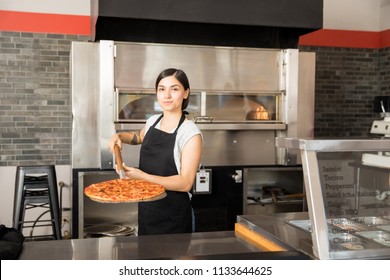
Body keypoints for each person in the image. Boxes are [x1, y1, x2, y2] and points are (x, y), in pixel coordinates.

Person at [108, 68, 203, 235]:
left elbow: (185, 183)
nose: (167, 95)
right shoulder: (153, 121)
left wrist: (143, 177)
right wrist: (119, 136)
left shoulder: (190, 134)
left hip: (174, 216)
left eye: (174, 89)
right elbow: (138, 137)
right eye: (161, 89)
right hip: (148, 210)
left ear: (186, 93)